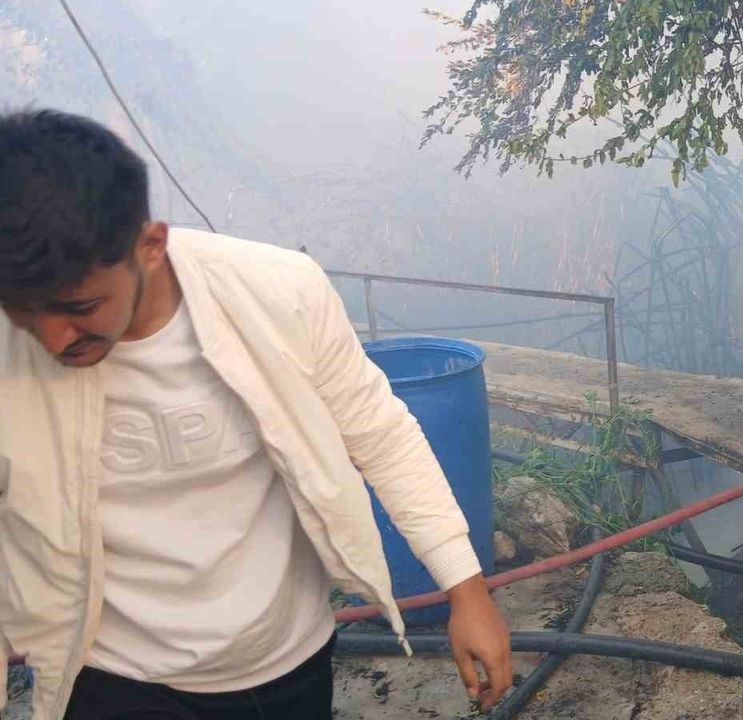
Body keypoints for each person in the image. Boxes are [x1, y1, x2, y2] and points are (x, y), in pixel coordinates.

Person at [0, 109, 512, 720]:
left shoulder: (279, 294)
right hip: (112, 674)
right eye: (26, 315)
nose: (54, 339)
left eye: (79, 307)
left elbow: (382, 436)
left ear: (151, 246)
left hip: (285, 664)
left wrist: (466, 590)